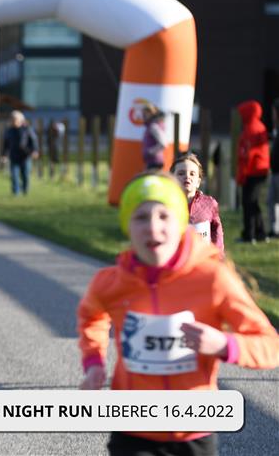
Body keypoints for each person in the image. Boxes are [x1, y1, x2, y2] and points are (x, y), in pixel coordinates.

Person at [77, 172, 278, 456]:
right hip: (133, 431)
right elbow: (91, 316)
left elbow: (270, 345)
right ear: (127, 225)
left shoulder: (212, 278)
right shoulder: (111, 282)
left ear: (182, 223)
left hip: (193, 433)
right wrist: (93, 362)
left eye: (164, 216)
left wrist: (225, 344)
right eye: (141, 217)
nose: (153, 227)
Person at [170, 153, 224, 254]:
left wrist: (217, 255)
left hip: (201, 257)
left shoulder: (209, 204)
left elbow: (217, 232)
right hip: (175, 257)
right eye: (181, 173)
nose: (187, 176)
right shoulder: (165, 204)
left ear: (198, 182)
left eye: (192, 174)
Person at [236, 100, 270, 244]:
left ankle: (249, 235)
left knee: (248, 202)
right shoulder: (259, 126)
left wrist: (242, 174)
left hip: (252, 171)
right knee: (254, 202)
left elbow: (246, 155)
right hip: (260, 171)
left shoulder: (250, 129)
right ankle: (260, 233)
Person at [2, 110, 39, 195]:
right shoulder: (9, 131)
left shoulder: (27, 129)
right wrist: (4, 155)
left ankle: (25, 190)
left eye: (14, 119)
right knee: (14, 175)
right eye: (12, 119)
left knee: (25, 175)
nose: (12, 121)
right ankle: (16, 192)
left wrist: (35, 151)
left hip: (25, 156)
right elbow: (6, 144)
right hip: (14, 156)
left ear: (20, 120)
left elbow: (34, 141)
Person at [140, 102, 167, 170]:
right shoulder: (150, 126)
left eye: (145, 113)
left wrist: (150, 152)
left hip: (155, 161)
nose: (143, 116)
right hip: (151, 161)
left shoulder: (153, 126)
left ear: (151, 113)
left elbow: (163, 143)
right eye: (143, 114)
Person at [266, 98, 279, 238]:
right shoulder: (276, 130)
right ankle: (275, 230)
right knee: (271, 201)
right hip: (275, 172)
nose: (272, 115)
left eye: (274, 112)